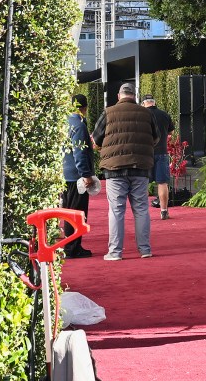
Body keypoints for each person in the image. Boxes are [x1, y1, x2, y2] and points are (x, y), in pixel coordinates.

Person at [91, 82, 161, 261]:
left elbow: (96, 137)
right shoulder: (146, 113)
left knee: (116, 210)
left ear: (118, 96)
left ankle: (115, 252)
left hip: (114, 168)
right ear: (134, 96)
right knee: (141, 209)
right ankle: (145, 249)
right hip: (140, 167)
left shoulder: (108, 112)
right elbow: (156, 137)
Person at [61, 94, 94, 258]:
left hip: (64, 173)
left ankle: (69, 245)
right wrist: (86, 174)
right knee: (78, 212)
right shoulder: (79, 126)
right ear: (85, 108)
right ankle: (73, 247)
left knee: (68, 211)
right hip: (76, 176)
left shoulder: (64, 122)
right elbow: (79, 152)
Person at [142, 95, 176, 219]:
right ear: (154, 103)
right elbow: (171, 132)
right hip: (162, 152)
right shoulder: (164, 114)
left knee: (143, 183)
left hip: (145, 153)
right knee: (162, 183)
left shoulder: (141, 115)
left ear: (144, 103)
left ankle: (143, 213)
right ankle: (163, 211)